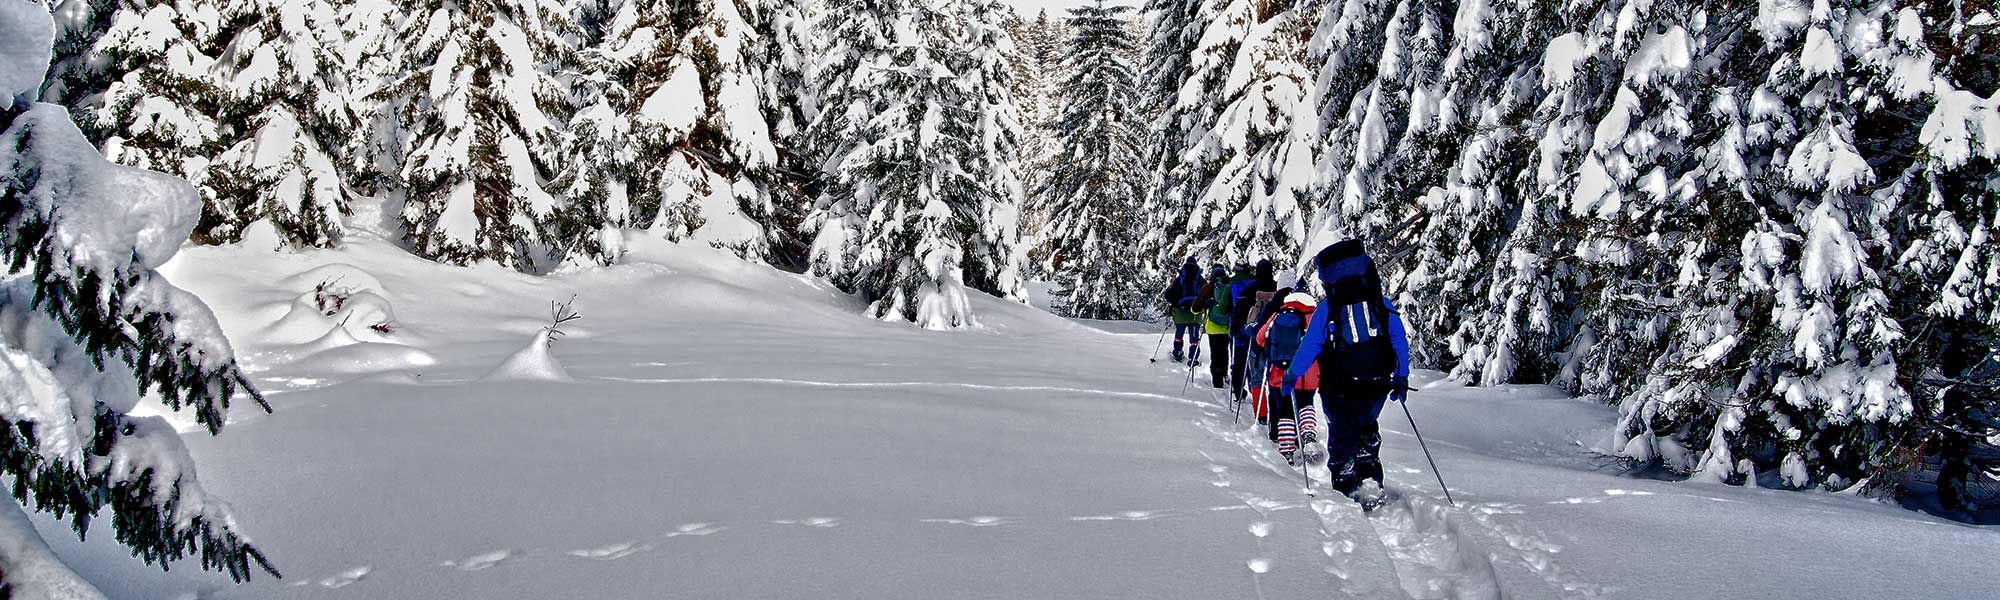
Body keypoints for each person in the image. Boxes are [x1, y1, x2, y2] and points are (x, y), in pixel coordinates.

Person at [1287, 240, 1410, 502]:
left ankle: (1347, 487)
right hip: (1376, 383)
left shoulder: (1328, 308)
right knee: (1367, 427)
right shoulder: (1380, 303)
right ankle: (1371, 479)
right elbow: (1398, 339)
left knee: (1342, 434)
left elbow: (1310, 346)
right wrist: (1401, 376)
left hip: (1338, 387)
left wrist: (1292, 375)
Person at [1254, 289, 1317, 460]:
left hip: (1279, 374)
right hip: (1308, 374)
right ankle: (1309, 432)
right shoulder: (1314, 316)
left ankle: (1287, 450)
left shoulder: (1278, 314)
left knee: (1285, 412)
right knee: (1306, 403)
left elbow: (1260, 338)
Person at [1231, 260, 1276, 418]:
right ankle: (1276, 412)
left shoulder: (1249, 289)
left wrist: (1234, 330)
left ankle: (1260, 412)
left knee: (1254, 373)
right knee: (1274, 376)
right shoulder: (1278, 288)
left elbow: (1239, 311)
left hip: (1251, 336)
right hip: (1274, 337)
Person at [1195, 264, 1234, 390]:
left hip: (1212, 325)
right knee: (1224, 351)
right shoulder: (1230, 286)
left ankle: (1217, 379)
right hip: (1227, 325)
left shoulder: (1207, 288)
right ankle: (1223, 374)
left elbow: (1196, 309)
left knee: (1215, 352)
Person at [1160, 257, 1205, 364]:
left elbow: (1168, 295)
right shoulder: (1199, 279)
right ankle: (1193, 358)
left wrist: (1176, 304)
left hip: (1180, 312)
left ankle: (1177, 352)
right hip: (1195, 313)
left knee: (1179, 334)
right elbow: (1207, 294)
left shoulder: (1180, 278)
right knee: (1194, 337)